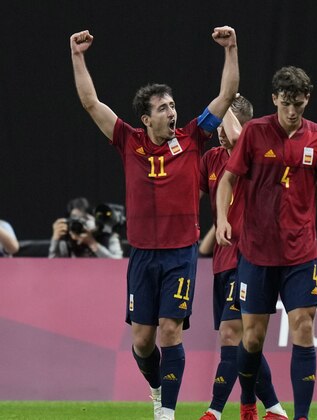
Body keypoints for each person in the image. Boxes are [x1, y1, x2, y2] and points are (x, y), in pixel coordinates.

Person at [69, 25, 238, 420]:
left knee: (169, 331)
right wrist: (77, 56)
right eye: (163, 108)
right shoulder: (128, 141)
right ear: (146, 118)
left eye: (173, 105)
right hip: (142, 254)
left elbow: (227, 94)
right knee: (143, 342)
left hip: (180, 253)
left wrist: (231, 48)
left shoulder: (194, 136)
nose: (172, 112)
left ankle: (168, 412)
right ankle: (158, 387)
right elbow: (91, 103)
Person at [215, 66, 317, 420]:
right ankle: (249, 401)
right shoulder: (254, 132)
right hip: (256, 253)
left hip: (301, 253)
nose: (292, 111)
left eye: (298, 103)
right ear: (274, 100)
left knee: (303, 326)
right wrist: (222, 218)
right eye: (286, 103)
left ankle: (301, 416)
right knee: (251, 338)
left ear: (306, 100)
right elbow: (227, 180)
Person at [198, 95, 287, 420]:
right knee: (245, 340)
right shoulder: (209, 159)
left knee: (232, 333)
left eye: (226, 121)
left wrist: (226, 94)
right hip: (222, 261)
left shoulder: (253, 153)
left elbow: (236, 138)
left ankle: (215, 409)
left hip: (249, 258)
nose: (220, 130)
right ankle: (274, 409)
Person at [49, 197, 123, 258]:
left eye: (84, 220)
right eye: (75, 220)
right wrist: (55, 240)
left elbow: (117, 264)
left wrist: (93, 243)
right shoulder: (66, 240)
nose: (79, 225)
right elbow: (52, 268)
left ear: (93, 220)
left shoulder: (108, 237)